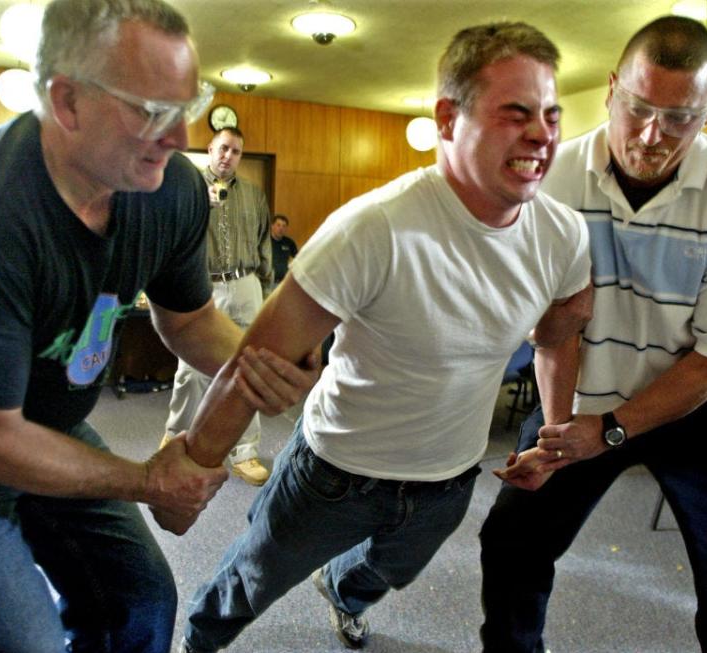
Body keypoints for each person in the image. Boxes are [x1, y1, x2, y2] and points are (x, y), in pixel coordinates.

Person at [0, 1, 315, 652]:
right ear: (67, 101)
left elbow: (187, 322)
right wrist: (146, 479)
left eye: (185, 107)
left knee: (141, 598)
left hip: (42, 408)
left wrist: (269, 367)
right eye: (150, 111)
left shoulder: (172, 190)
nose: (178, 138)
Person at [172, 21, 593, 653]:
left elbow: (559, 335)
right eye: (516, 113)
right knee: (250, 582)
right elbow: (253, 364)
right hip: (336, 475)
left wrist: (555, 435)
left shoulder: (562, 236)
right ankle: (197, 643)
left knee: (389, 572)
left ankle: (341, 591)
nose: (543, 133)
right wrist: (192, 471)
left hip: (449, 479)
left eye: (552, 115)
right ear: (448, 118)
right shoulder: (374, 228)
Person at [479, 16, 707, 653]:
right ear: (611, 89)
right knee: (512, 539)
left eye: (678, 117)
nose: (651, 135)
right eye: (638, 108)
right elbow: (554, 329)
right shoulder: (550, 181)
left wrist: (615, 429)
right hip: (583, 388)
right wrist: (559, 430)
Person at [164, 127, 275, 486]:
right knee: (190, 370)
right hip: (204, 285)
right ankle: (174, 438)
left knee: (249, 368)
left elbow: (264, 245)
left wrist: (266, 289)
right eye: (223, 148)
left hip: (247, 285)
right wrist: (199, 205)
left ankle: (245, 451)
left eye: (236, 151)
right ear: (211, 149)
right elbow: (173, 234)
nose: (228, 156)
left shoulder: (256, 196)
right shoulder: (188, 190)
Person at [270, 213, 299, 288]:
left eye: (284, 226)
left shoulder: (289, 242)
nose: (281, 228)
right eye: (278, 225)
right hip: (268, 283)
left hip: (284, 283)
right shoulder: (266, 242)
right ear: (272, 226)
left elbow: (298, 259)